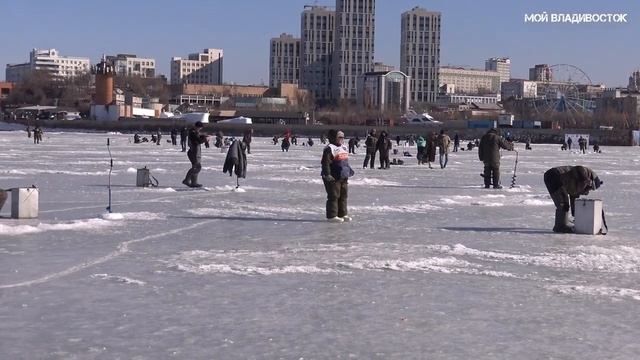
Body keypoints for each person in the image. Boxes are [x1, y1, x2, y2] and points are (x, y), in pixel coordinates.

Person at [544, 165, 602, 233]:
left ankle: (562, 225)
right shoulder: (585, 173)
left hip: (554, 178)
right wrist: (585, 179)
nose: (588, 190)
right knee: (563, 202)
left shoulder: (579, 184)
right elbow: (578, 168)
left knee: (564, 202)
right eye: (590, 188)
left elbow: (574, 197)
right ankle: (560, 227)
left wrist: (576, 215)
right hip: (554, 176)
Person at [321, 129, 354, 223]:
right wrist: (327, 174)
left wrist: (349, 171)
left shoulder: (344, 147)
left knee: (343, 195)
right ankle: (332, 215)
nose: (341, 139)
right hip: (333, 177)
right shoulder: (330, 148)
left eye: (342, 137)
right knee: (334, 196)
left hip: (343, 176)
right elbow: (325, 163)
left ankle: (342, 214)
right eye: (339, 137)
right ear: (333, 138)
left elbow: (344, 162)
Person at [182, 121, 209, 188]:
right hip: (193, 152)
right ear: (197, 127)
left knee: (196, 166)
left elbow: (198, 137)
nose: (200, 130)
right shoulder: (192, 132)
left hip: (195, 152)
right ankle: (187, 180)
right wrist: (205, 140)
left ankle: (194, 182)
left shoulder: (194, 132)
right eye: (199, 128)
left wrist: (203, 136)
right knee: (197, 167)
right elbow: (197, 140)